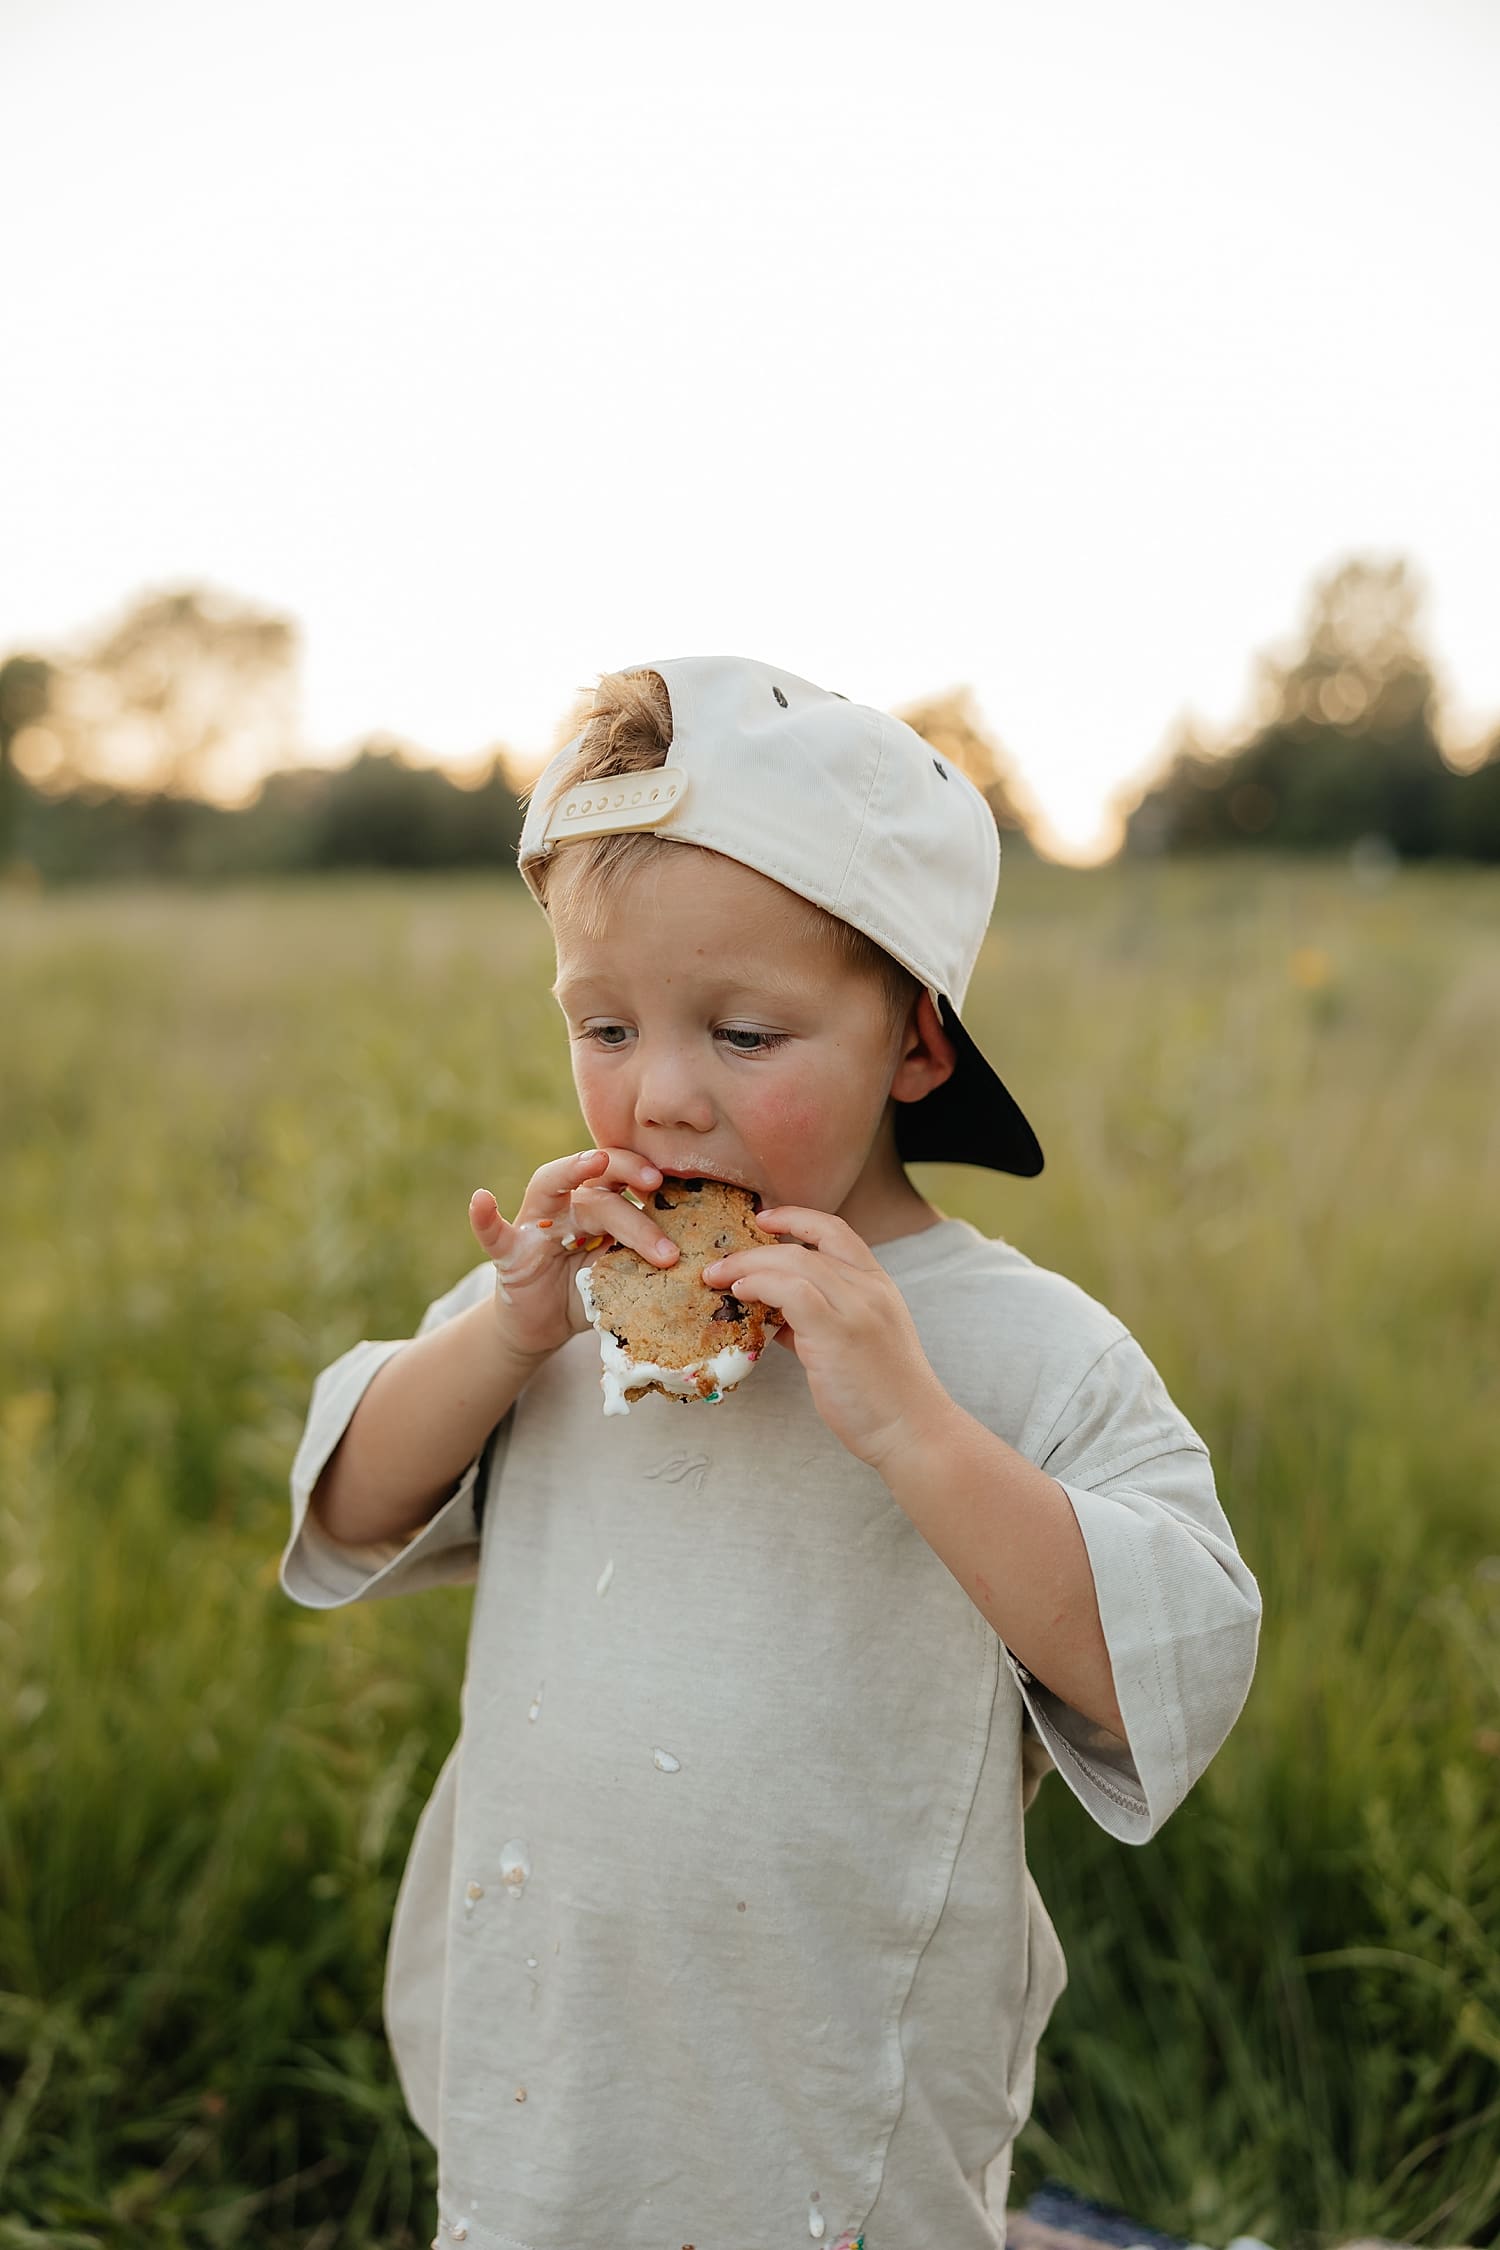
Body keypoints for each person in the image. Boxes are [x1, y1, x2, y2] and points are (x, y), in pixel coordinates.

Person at [279, 655, 1262, 2250]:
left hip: (838, 2092)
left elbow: (1169, 1660)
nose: (660, 1096)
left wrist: (919, 1433)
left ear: (916, 1050)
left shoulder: (1017, 1350)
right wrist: (505, 1333)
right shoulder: (565, 1303)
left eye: (743, 1032)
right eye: (605, 1024)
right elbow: (348, 1499)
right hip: (555, 2051)